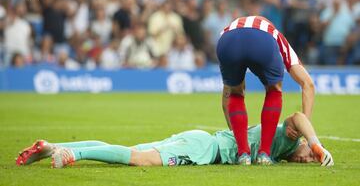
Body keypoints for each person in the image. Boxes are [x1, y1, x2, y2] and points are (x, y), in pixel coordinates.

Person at [15, 112, 333, 168]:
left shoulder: (280, 153)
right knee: (138, 159)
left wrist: (310, 150)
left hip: (200, 142)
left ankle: (55, 147)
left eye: (308, 159)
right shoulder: (288, 137)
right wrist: (317, 143)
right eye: (309, 154)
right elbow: (297, 117)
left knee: (133, 150)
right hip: (203, 149)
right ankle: (74, 156)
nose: (307, 157)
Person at [216, 15, 315, 165]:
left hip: (227, 40)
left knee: (235, 93)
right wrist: (304, 131)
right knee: (274, 90)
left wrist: (237, 137)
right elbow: (308, 84)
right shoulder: (277, 37)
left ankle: (243, 155)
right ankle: (264, 154)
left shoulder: (230, 29)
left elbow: (226, 99)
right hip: (262, 40)